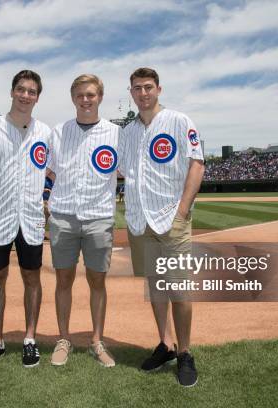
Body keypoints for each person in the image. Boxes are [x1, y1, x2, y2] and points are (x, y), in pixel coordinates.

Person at [119, 67, 205, 387]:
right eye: (137, 88)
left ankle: (184, 352)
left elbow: (197, 164)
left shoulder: (180, 121)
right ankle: (165, 344)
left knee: (179, 289)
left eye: (148, 87)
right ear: (131, 93)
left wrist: (182, 211)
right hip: (141, 222)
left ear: (159, 89)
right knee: (155, 288)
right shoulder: (126, 132)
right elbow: (117, 170)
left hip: (172, 219)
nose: (143, 93)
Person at [0, 70, 51, 370]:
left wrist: (49, 199)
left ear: (37, 97)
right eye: (21, 89)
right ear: (12, 92)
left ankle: (30, 339)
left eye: (31, 91)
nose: (26, 95)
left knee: (32, 277)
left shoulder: (45, 133)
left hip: (30, 218)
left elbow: (54, 172)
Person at [46, 74, 120, 367]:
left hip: (98, 217)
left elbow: (129, 169)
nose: (85, 100)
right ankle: (64, 339)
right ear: (73, 97)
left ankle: (97, 341)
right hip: (63, 216)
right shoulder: (58, 131)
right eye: (80, 95)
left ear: (100, 97)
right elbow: (48, 170)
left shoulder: (116, 134)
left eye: (90, 95)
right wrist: (45, 199)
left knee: (97, 281)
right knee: (63, 280)